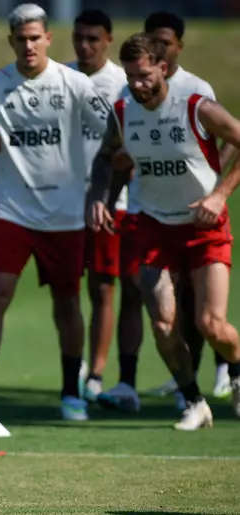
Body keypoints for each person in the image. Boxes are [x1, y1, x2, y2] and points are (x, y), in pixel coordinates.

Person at [0, 3, 111, 422]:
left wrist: (100, 191)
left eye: (36, 37)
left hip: (66, 215)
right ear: (11, 42)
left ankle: (71, 393)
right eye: (21, 39)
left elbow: (114, 137)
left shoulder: (74, 84)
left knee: (67, 302)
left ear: (48, 39)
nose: (29, 45)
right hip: (12, 212)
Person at [86, 33, 240, 430]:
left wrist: (220, 195)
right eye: (131, 77)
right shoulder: (122, 111)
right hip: (152, 224)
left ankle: (237, 372)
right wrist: (101, 198)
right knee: (162, 323)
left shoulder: (195, 107)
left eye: (143, 76)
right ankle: (194, 402)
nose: (137, 85)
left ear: (163, 68)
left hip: (203, 225)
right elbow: (109, 158)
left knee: (211, 325)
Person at [65, 9, 135, 404]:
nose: (85, 45)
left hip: (112, 203)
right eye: (79, 37)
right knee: (66, 289)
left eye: (93, 39)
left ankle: (96, 373)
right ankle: (73, 366)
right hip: (62, 202)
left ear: (108, 40)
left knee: (104, 287)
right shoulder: (60, 77)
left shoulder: (123, 85)